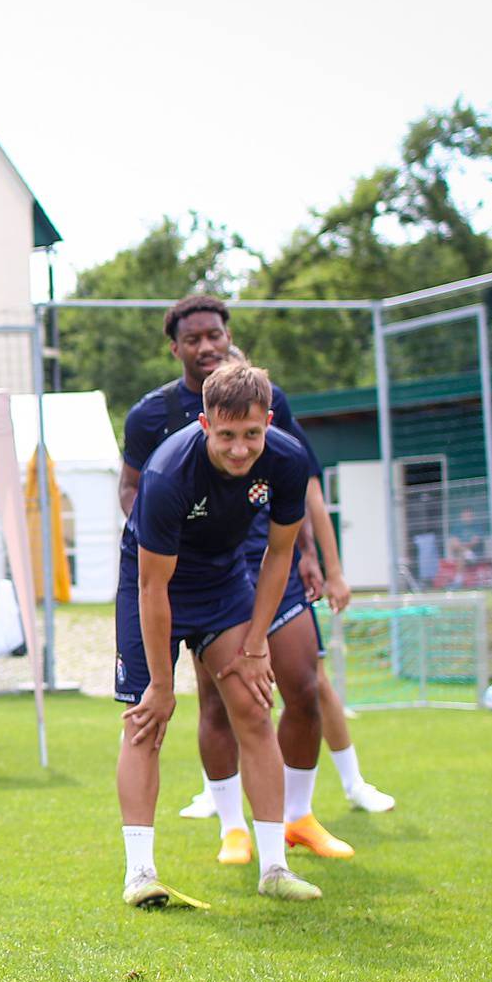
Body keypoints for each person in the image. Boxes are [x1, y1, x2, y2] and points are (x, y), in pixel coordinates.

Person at [116, 299, 392, 853]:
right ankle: (217, 834)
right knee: (186, 705)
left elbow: (298, 498)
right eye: (193, 339)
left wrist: (321, 563)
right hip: (175, 568)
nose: (206, 346)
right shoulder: (157, 431)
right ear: (176, 349)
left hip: (254, 564)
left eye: (215, 335)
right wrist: (170, 536)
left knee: (292, 686)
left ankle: (294, 827)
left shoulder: (276, 427)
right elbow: (139, 530)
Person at [121, 361, 322, 904]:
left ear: (269, 422)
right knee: (146, 722)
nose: (240, 449)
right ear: (206, 424)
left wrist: (256, 645)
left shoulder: (287, 459)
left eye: (252, 434)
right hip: (153, 586)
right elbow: (151, 587)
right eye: (227, 435)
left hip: (223, 583)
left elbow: (280, 554)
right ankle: (139, 874)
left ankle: (275, 867)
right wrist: (162, 686)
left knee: (255, 708)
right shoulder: (168, 474)